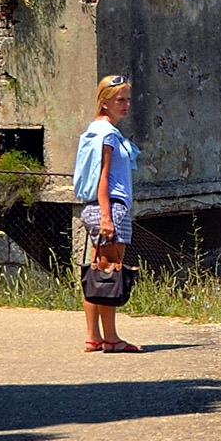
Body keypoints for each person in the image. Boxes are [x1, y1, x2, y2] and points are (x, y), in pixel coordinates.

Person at [78, 75, 141, 353]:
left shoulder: (95, 130)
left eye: (127, 99)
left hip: (97, 207)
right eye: (120, 100)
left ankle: (94, 337)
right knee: (110, 274)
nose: (126, 104)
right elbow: (103, 176)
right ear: (104, 103)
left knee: (97, 272)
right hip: (111, 207)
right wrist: (107, 217)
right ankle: (112, 338)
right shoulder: (107, 135)